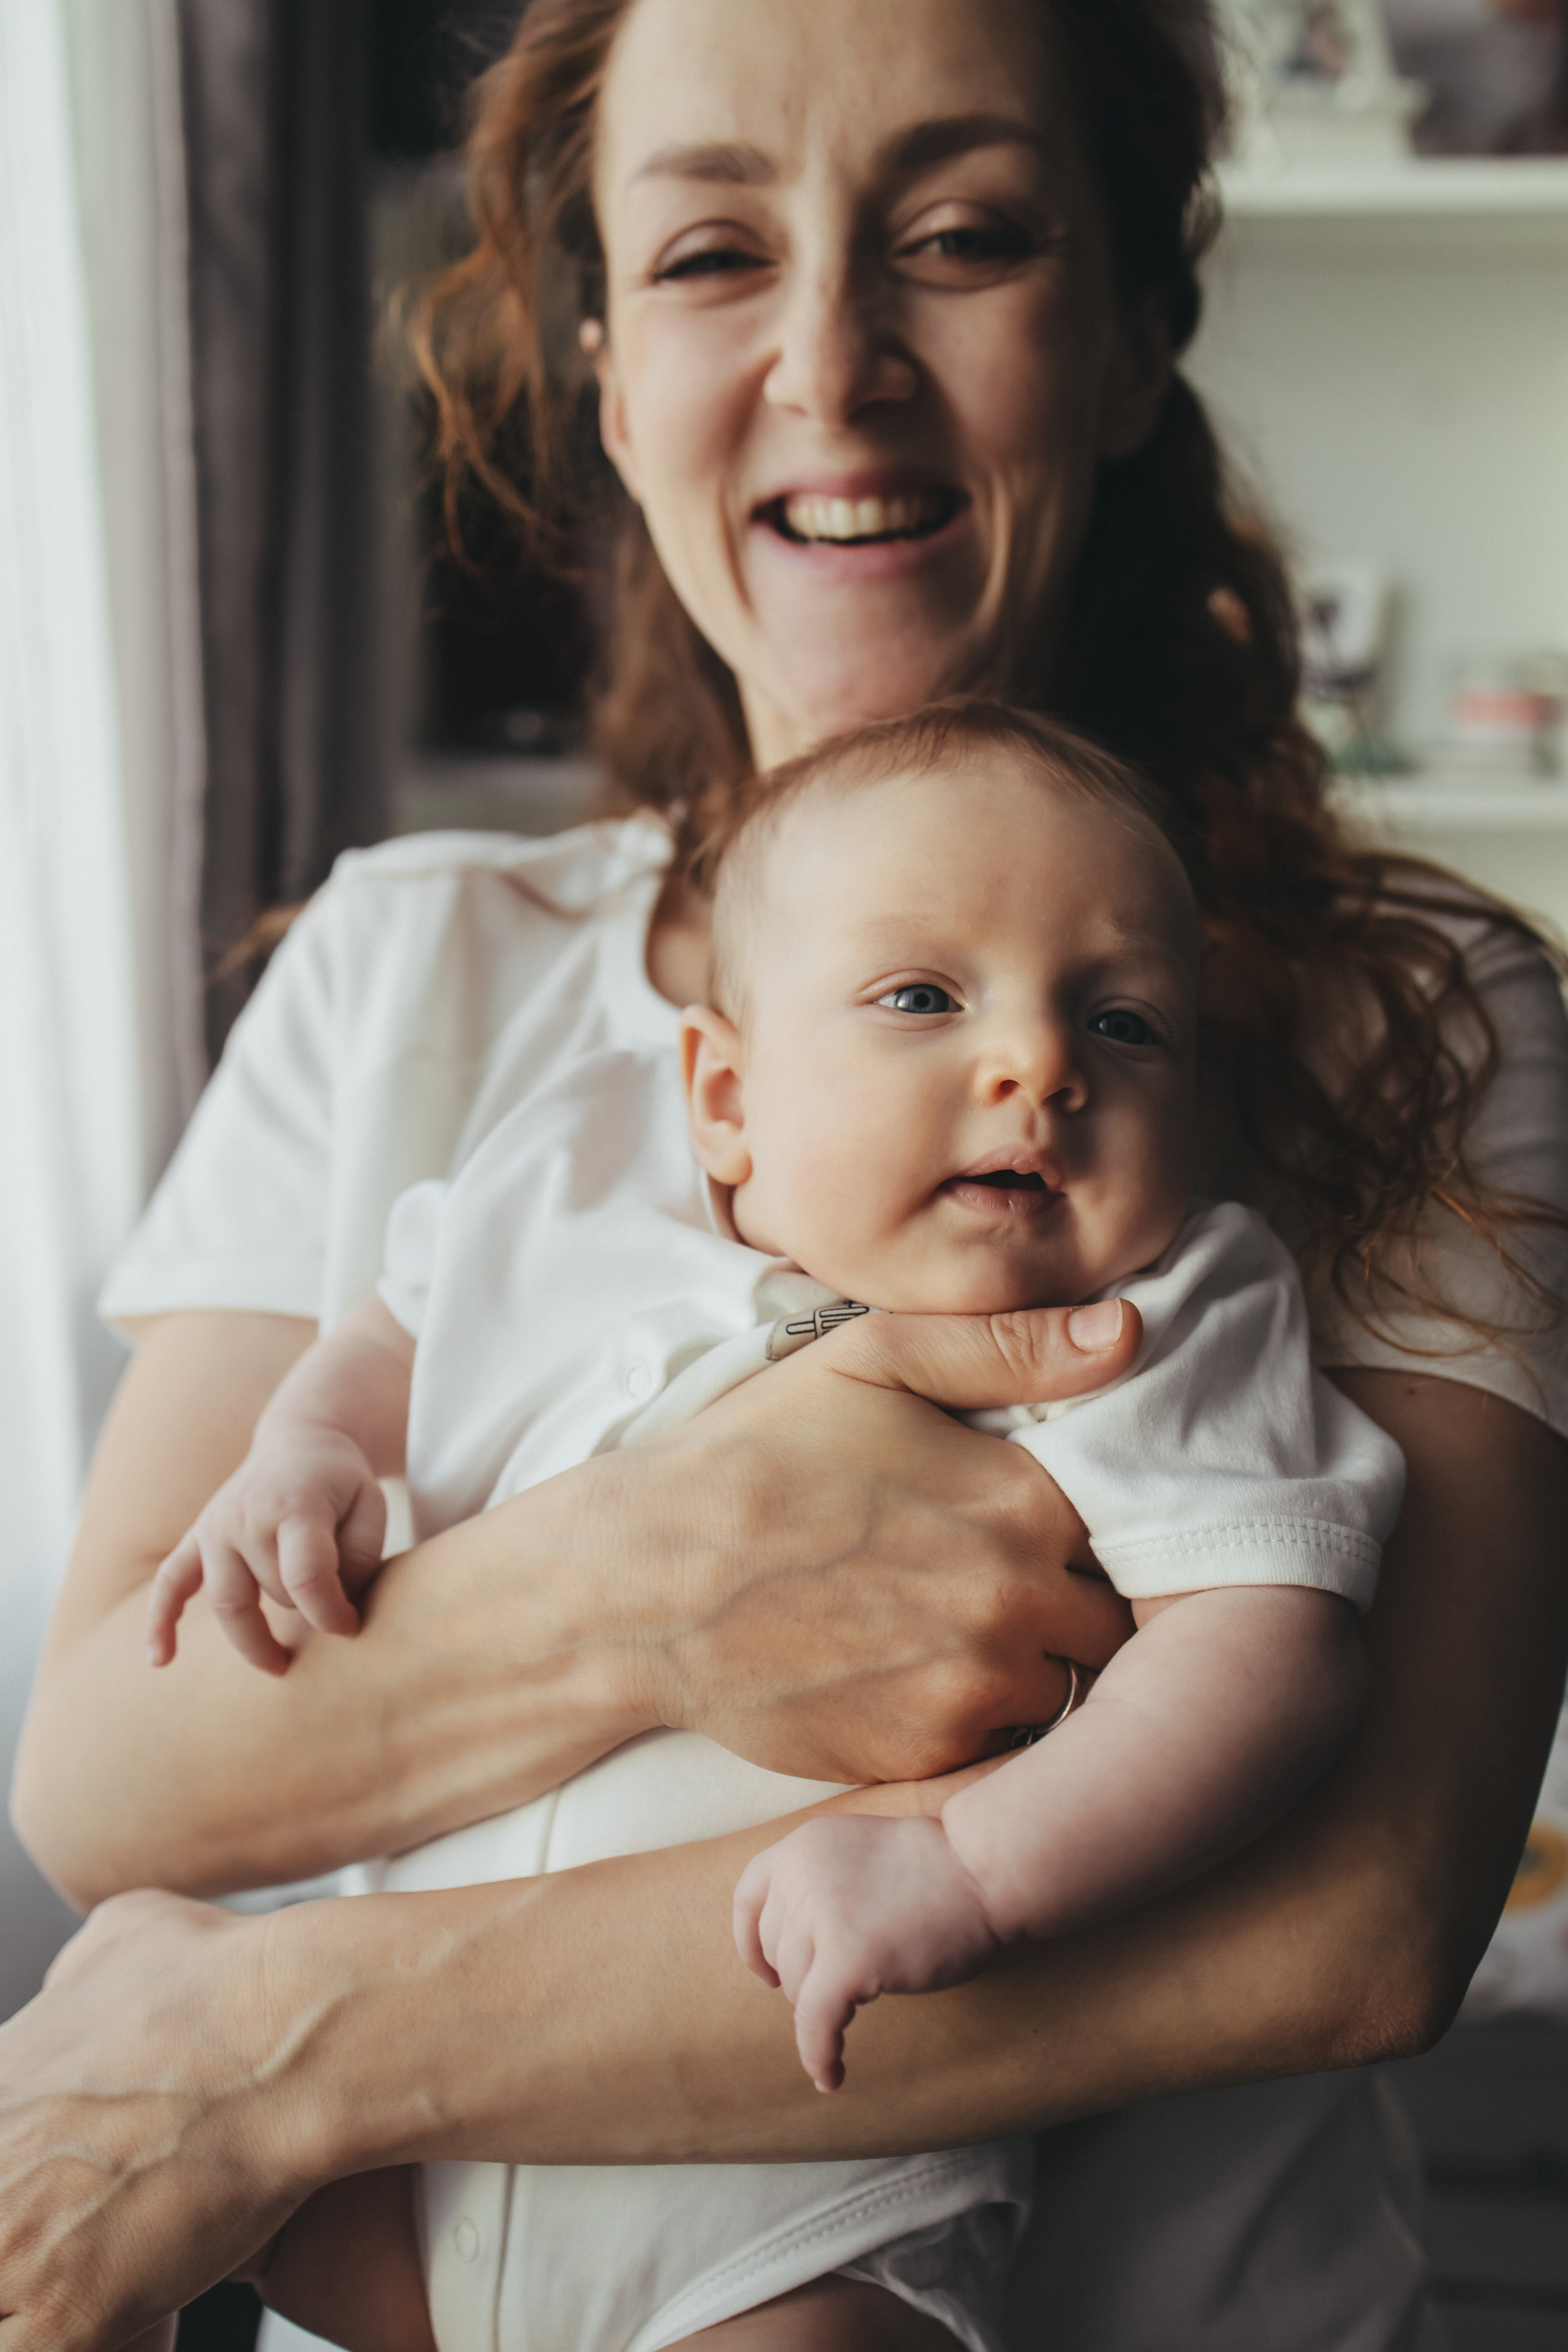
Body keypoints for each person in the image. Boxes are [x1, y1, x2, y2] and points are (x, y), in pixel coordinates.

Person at [6, 1, 1568, 2348]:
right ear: (610, 372)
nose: (834, 368)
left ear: (1139, 335)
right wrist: (670, 1575)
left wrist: (261, 2059)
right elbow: (122, 1773)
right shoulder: (416, 962)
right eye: (718, 250)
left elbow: (1346, 1911)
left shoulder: (1399, 1017)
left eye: (961, 233)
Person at [140, 707, 1401, 2350]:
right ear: (726, 1095)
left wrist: (970, 1865)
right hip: (395, 2158)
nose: (1040, 1063)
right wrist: (302, 1454)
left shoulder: (1160, 1316)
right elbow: (402, 1317)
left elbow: (1269, 1650)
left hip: (787, 2191)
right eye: (923, 999)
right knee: (125, 2083)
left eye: (1125, 1022)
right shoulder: (578, 1172)